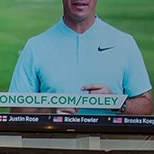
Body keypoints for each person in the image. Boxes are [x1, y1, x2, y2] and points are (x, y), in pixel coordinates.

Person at [8, 0, 152, 115]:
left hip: (108, 146)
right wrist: (50, 111)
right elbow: (16, 111)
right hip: (54, 146)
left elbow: (147, 105)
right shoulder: (35, 46)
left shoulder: (124, 43)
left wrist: (117, 103)